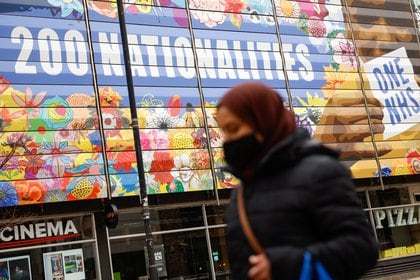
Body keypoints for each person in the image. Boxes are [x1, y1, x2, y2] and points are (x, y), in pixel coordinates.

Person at [215, 82, 379, 280]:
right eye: (224, 131)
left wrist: (286, 266)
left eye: (234, 128)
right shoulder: (241, 194)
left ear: (263, 120)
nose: (227, 140)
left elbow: (361, 249)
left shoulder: (321, 172)